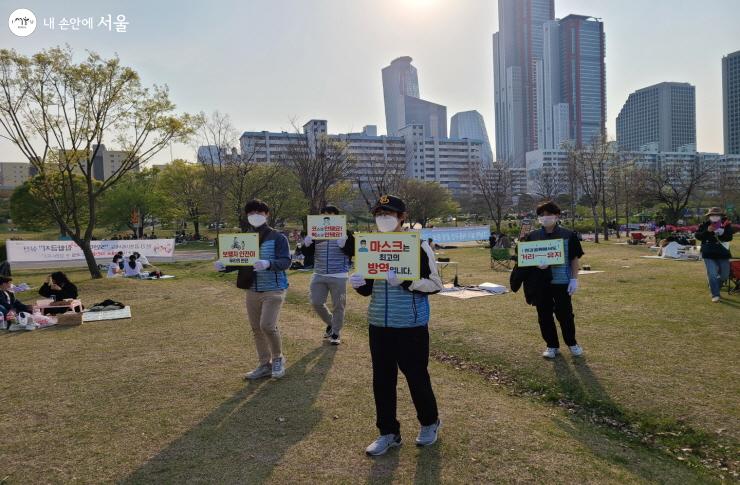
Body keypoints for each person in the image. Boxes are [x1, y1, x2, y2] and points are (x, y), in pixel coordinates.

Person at [349, 195, 443, 456]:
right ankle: (388, 432)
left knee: (416, 376)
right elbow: (369, 288)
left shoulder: (419, 245)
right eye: (379, 214)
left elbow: (435, 285)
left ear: (402, 217)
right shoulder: (370, 245)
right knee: (382, 379)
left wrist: (404, 281)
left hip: (411, 325)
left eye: (389, 214)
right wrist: (359, 284)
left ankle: (429, 422)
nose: (383, 219)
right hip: (379, 323)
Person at [218, 199, 291, 379]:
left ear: (267, 214)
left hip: (274, 288)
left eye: (259, 212)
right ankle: (264, 364)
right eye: (251, 213)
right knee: (256, 328)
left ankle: (278, 359)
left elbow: (286, 261)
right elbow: (240, 260)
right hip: (252, 289)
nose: (254, 216)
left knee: (267, 325)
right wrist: (225, 266)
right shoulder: (244, 238)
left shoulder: (278, 237)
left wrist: (268, 263)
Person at [522, 201, 584, 359]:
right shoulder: (532, 236)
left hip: (562, 281)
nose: (545, 218)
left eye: (549, 214)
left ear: (557, 215)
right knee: (544, 315)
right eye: (542, 215)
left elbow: (574, 259)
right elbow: (525, 259)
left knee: (565, 315)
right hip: (541, 283)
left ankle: (572, 343)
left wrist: (574, 279)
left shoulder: (568, 235)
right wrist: (536, 264)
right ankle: (551, 346)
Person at [301, 205, 355, 345]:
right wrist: (305, 244)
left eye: (330, 214)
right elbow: (307, 254)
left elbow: (353, 251)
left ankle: (336, 333)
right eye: (323, 215)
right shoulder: (315, 232)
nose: (326, 217)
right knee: (316, 302)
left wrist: (344, 244)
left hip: (339, 274)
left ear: (337, 217)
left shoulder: (346, 233)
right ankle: (332, 323)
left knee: (339, 305)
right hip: (319, 272)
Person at [695, 207, 734, 302]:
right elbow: (698, 236)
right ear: (709, 216)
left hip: (723, 253)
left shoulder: (726, 225)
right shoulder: (704, 225)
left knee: (725, 275)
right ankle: (715, 294)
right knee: (712, 274)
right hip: (708, 253)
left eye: (717, 215)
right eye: (712, 215)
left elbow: (729, 238)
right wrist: (707, 231)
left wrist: (722, 232)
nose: (715, 217)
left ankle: (715, 285)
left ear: (721, 216)